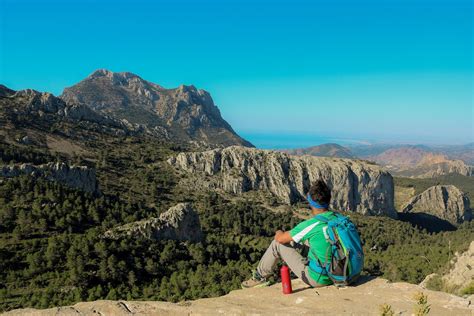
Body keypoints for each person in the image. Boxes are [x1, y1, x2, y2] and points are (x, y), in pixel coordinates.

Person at [241, 180, 337, 288]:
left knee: (277, 245)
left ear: (311, 202)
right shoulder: (340, 219)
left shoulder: (311, 224)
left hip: (320, 279)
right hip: (342, 273)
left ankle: (259, 277)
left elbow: (280, 239)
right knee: (305, 242)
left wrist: (279, 232)